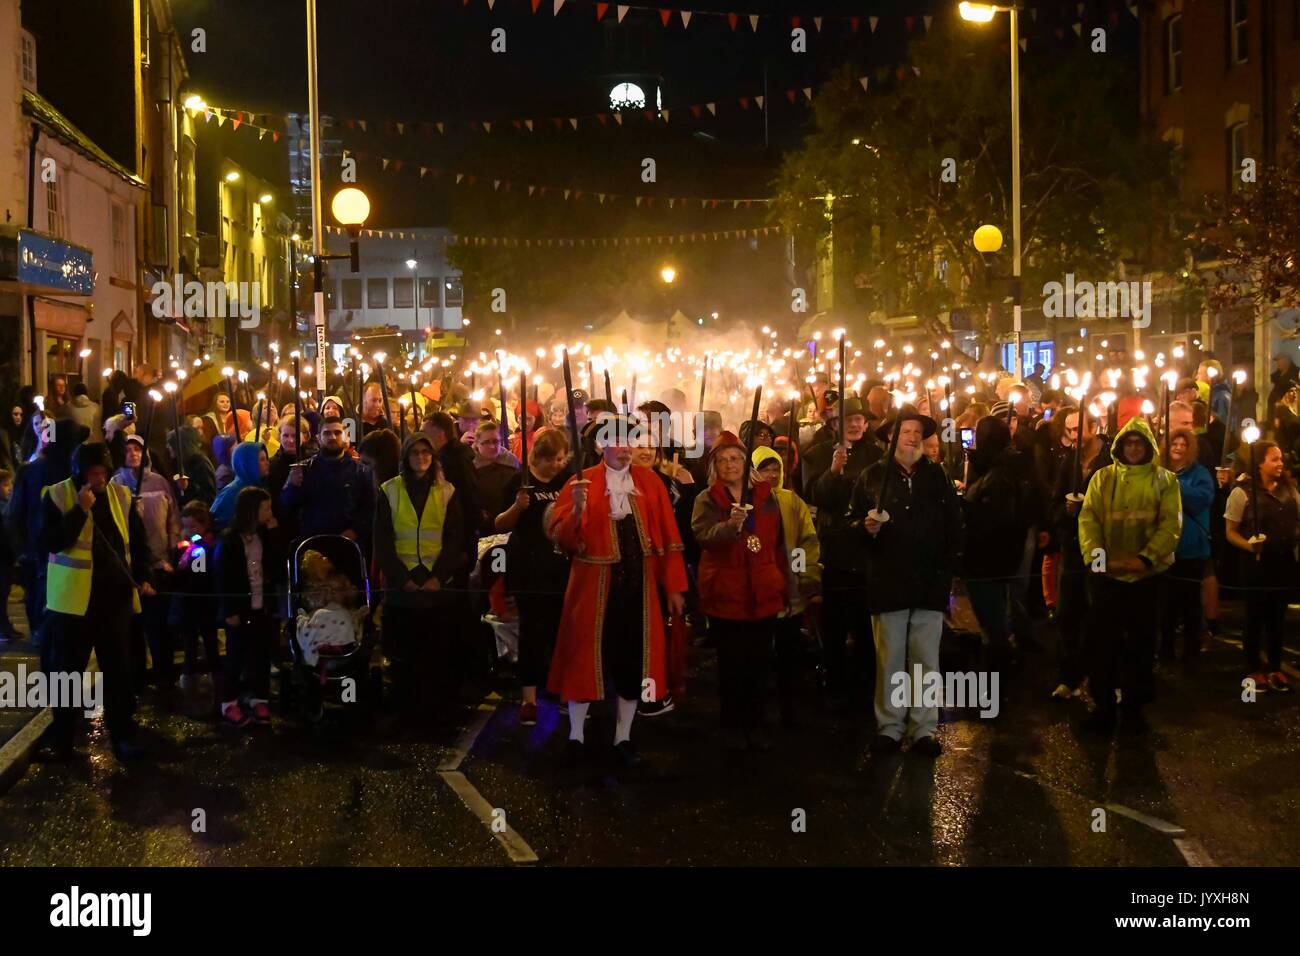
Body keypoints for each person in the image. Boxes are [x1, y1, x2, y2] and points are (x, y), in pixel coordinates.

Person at [546, 419, 688, 768]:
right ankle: (576, 736)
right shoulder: (580, 482)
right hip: (591, 588)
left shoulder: (650, 481)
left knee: (632, 663)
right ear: (600, 447)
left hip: (637, 591)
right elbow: (564, 541)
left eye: (630, 441)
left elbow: (669, 538)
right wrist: (577, 508)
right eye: (618, 442)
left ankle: (623, 737)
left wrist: (674, 587)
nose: (626, 448)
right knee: (584, 660)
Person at [850, 408, 962, 756]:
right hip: (888, 580)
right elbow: (851, 524)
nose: (913, 437)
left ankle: (924, 728)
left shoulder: (936, 475)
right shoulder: (872, 476)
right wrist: (864, 529)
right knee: (890, 658)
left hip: (929, 581)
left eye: (917, 432)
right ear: (890, 439)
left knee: (926, 660)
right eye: (906, 432)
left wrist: (948, 569)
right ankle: (890, 726)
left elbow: (953, 525)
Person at [38, 442, 153, 761]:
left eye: (103, 473)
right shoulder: (57, 496)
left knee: (118, 671)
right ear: (79, 473)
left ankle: (124, 738)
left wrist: (143, 575)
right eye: (93, 474)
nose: (100, 480)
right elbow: (50, 542)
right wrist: (79, 510)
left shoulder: (121, 495)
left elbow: (136, 540)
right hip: (72, 603)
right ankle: (61, 739)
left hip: (113, 600)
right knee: (67, 673)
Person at [1077, 417, 1182, 735]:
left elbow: (1170, 524)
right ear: (1120, 446)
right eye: (1129, 443)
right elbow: (1089, 519)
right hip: (1108, 576)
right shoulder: (1102, 478)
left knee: (1140, 642)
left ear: (1148, 447)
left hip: (1145, 576)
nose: (1134, 449)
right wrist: (1097, 557)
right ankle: (1104, 705)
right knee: (1102, 643)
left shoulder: (1164, 481)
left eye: (1139, 443)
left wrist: (1146, 558)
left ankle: (1135, 706)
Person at [692, 432, 792, 752]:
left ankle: (756, 723)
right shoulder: (708, 499)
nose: (730, 465)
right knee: (732, 665)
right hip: (727, 593)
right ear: (714, 466)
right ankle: (732, 726)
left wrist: (786, 585)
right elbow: (704, 537)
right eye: (722, 460)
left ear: (745, 462)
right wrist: (731, 526)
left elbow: (778, 544)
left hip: (762, 591)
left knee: (759, 664)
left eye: (735, 458)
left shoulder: (766, 496)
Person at [374, 432, 467, 727]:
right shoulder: (389, 490)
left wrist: (438, 576)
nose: (421, 458)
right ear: (405, 457)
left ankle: (435, 714)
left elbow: (454, 538)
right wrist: (403, 579)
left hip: (434, 588)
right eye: (415, 453)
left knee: (436, 654)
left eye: (426, 453)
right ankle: (406, 713)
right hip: (403, 589)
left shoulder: (447, 491)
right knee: (404, 656)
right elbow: (383, 541)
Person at [807, 396, 883, 712]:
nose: (854, 424)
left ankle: (866, 683)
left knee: (867, 622)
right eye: (847, 419)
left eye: (859, 420)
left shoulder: (876, 455)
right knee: (836, 621)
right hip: (836, 547)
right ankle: (834, 682)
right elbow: (815, 496)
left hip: (867, 547)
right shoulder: (818, 454)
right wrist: (834, 472)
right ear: (835, 423)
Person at [495, 428, 571, 727]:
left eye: (562, 458)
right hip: (528, 568)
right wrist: (518, 506)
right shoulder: (519, 481)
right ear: (539, 457)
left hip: (559, 567)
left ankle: (560, 686)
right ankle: (529, 698)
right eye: (553, 459)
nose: (558, 465)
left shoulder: (566, 482)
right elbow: (500, 523)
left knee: (560, 630)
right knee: (531, 633)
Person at [752, 445, 820, 732]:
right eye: (765, 469)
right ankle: (758, 714)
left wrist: (806, 577)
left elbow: (806, 541)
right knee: (759, 659)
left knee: (789, 659)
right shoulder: (748, 502)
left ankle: (789, 711)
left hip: (789, 595)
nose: (772, 473)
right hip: (761, 595)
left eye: (776, 468)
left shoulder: (792, 501)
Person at [1224, 440, 1296, 693]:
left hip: (1283, 562)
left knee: (1277, 617)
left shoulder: (1290, 489)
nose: (1280, 464)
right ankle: (1253, 668)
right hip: (1256, 563)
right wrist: (1248, 545)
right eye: (1274, 459)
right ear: (1259, 463)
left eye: (1281, 459)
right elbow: (1230, 531)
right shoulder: (1242, 492)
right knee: (1255, 616)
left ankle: (1275, 666)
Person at [1049, 405, 1110, 701]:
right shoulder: (1069, 461)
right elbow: (1055, 500)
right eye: (1069, 430)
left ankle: (1103, 679)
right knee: (1067, 613)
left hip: (1101, 547)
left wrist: (1086, 508)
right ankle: (1069, 677)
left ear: (1094, 428)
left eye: (1078, 429)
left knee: (1098, 613)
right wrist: (1065, 512)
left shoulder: (1109, 460)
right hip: (1072, 547)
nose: (1073, 435)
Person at [6, 417, 83, 652]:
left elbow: (15, 513)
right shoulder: (66, 473)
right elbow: (17, 511)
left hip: (37, 549)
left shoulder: (33, 471)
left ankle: (42, 635)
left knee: (38, 598)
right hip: (55, 550)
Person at [112, 435, 181, 691]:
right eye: (128, 449)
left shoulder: (159, 482)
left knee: (159, 626)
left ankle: (165, 675)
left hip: (160, 564)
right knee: (134, 628)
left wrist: (174, 551)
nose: (133, 453)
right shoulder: (116, 484)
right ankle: (137, 678)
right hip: (132, 568)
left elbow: (173, 518)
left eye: (137, 448)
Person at [214, 487, 285, 729]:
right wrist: (229, 610)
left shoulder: (265, 535)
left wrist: (275, 534)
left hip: (261, 605)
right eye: (265, 507)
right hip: (240, 607)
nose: (270, 512)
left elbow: (276, 566)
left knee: (260, 655)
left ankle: (259, 698)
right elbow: (223, 577)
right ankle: (228, 702)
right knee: (235, 656)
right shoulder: (230, 539)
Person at [961, 416, 1032, 658]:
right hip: (996, 560)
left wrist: (965, 508)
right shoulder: (999, 468)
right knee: (995, 619)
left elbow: (994, 521)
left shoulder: (999, 476)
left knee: (993, 624)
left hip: (986, 562)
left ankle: (997, 675)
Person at [281, 417, 376, 553]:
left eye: (337, 433)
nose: (332, 437)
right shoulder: (305, 469)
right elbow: (286, 504)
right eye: (327, 433)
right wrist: (292, 486)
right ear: (318, 438)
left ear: (346, 436)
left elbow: (370, 509)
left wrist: (355, 530)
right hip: (314, 546)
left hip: (349, 546)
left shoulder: (361, 471)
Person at [1161, 429, 1212, 674]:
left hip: (1190, 547)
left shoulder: (1199, 474)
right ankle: (1165, 649)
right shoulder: (1157, 471)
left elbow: (1202, 499)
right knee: (1166, 604)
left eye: (1184, 443)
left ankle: (1192, 652)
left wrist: (1174, 484)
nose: (1179, 447)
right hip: (1163, 548)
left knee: (1191, 605)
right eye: (1174, 442)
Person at [169, 501, 220, 695]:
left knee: (209, 641)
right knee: (191, 644)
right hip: (190, 605)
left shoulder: (199, 548)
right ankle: (191, 678)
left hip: (202, 603)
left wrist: (180, 566)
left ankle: (211, 679)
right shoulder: (189, 546)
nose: (189, 531)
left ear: (204, 525)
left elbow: (197, 575)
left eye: (193, 527)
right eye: (186, 526)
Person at [422, 412, 481, 568]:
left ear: (440, 434)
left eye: (425, 433)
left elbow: (468, 501)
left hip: (458, 541)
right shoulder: (448, 457)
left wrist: (462, 547)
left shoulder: (456, 461)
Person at [471, 420, 520, 537]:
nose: (492, 446)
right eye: (486, 442)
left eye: (496, 441)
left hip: (510, 526)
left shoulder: (511, 463)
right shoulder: (470, 467)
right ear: (477, 444)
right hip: (482, 529)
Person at [210, 441, 269, 532]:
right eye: (262, 460)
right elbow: (218, 523)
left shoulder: (258, 486)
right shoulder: (231, 493)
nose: (267, 463)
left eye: (266, 459)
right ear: (248, 463)